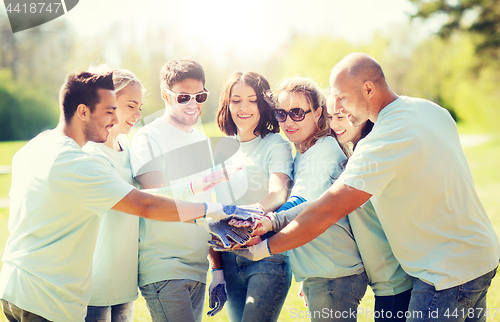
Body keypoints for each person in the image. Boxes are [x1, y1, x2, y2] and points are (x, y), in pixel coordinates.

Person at [232, 53, 500, 322]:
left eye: (342, 97)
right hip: (481, 256)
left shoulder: (381, 143)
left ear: (368, 89)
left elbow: (326, 211)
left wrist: (264, 248)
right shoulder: (429, 109)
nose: (335, 105)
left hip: (444, 274)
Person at [0, 70, 241, 322]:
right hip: (46, 297)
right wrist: (213, 211)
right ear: (83, 112)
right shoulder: (77, 162)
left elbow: (143, 196)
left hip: (18, 287)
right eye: (109, 111)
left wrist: (195, 187)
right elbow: (145, 204)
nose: (116, 118)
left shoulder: (37, 146)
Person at [129, 58, 219, 322]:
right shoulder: (148, 137)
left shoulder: (202, 140)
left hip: (197, 267)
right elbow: (155, 197)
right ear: (165, 96)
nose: (193, 103)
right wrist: (195, 188)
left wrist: (218, 269)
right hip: (165, 268)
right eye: (184, 97)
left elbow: (207, 209)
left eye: (200, 95)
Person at [274, 76, 367, 321]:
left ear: (317, 113)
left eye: (296, 113)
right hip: (324, 274)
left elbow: (301, 203)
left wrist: (263, 222)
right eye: (281, 114)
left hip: (333, 276)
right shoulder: (304, 152)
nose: (288, 121)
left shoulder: (323, 149)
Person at [213, 71, 293, 322]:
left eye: (252, 100)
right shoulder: (222, 149)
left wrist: (246, 212)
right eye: (236, 100)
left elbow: (278, 192)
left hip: (267, 257)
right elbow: (211, 212)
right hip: (228, 259)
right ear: (227, 105)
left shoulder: (275, 144)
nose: (243, 107)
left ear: (263, 104)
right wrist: (216, 269)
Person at [329, 112, 413, 321]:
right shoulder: (356, 158)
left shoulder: (372, 159)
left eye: (340, 117)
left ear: (362, 116)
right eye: (330, 117)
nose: (334, 124)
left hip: (396, 283)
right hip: (386, 284)